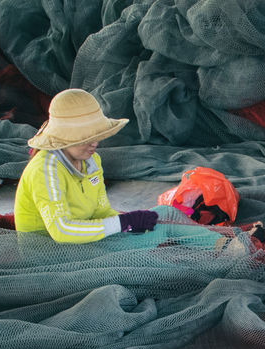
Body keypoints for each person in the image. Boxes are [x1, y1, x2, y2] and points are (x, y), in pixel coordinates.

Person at [14, 88, 159, 243]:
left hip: (82, 243)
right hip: (45, 252)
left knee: (160, 219)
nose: (94, 143)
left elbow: (100, 211)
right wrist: (123, 223)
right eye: (85, 138)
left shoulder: (92, 160)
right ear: (64, 138)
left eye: (96, 135)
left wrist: (131, 222)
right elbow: (62, 230)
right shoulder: (44, 170)